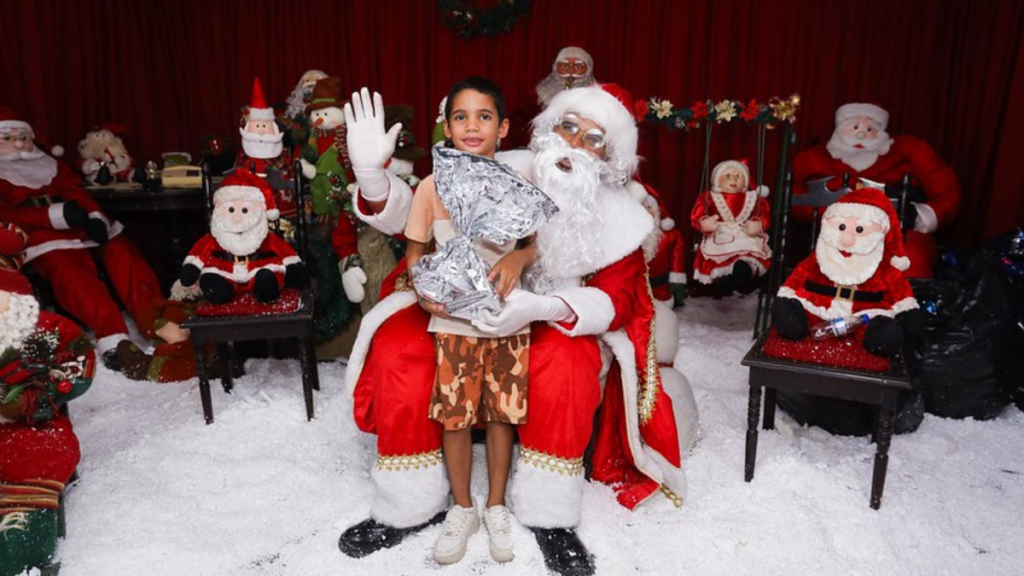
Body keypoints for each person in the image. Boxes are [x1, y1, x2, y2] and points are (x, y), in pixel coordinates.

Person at [338, 85, 690, 576]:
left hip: (552, 316)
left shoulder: (624, 219)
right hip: (456, 305)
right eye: (568, 126)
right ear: (548, 129)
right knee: (400, 347)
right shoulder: (508, 164)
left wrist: (541, 306)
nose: (574, 143)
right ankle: (407, 505)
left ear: (611, 157)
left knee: (565, 366)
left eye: (593, 138)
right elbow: (417, 213)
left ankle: (550, 516)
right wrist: (373, 178)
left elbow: (618, 300)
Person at [399, 76, 538, 565]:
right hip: (453, 323)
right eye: (461, 117)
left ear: (503, 127)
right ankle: (463, 508)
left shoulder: (518, 187)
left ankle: (495, 505)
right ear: (447, 126)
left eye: (484, 117)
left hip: (507, 320)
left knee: (502, 414)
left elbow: (534, 245)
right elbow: (414, 252)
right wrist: (424, 293)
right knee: (455, 416)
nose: (472, 126)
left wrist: (519, 258)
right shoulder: (430, 187)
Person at [0, 108, 167, 367]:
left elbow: (75, 191)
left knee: (122, 252)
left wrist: (94, 217)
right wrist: (54, 215)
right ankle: (114, 338)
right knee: (72, 271)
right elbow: (8, 215)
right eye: (7, 138)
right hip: (38, 234)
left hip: (77, 222)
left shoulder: (50, 163)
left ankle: (161, 325)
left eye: (24, 137)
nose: (19, 144)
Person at [792, 103, 962, 278]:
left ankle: (906, 295)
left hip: (897, 231)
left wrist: (923, 215)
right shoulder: (815, 159)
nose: (861, 134)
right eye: (855, 127)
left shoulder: (906, 152)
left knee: (910, 258)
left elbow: (946, 189)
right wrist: (829, 213)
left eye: (869, 129)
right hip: (836, 231)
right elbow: (793, 194)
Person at [0, 263, 94, 576]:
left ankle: (20, 551)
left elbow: (78, 365)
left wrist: (35, 397)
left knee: (37, 456)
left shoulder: (48, 329)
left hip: (32, 429)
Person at [772, 187, 924, 357]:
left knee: (884, 334)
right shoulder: (820, 256)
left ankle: (879, 337)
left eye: (860, 230)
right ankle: (795, 323)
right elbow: (798, 277)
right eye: (842, 227)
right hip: (818, 310)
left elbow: (899, 288)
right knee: (791, 316)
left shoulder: (882, 265)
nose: (847, 238)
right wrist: (786, 296)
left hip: (864, 316)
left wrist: (907, 312)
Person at [179, 169, 305, 304]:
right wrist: (191, 269)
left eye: (245, 210)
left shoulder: (265, 237)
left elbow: (284, 251)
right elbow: (199, 253)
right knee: (212, 279)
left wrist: (294, 268)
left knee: (266, 277)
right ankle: (219, 290)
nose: (237, 218)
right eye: (231, 209)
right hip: (225, 273)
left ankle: (265, 288)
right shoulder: (214, 238)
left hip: (258, 270)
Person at [691, 159, 771, 294]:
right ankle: (722, 282)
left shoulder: (754, 197)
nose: (733, 179)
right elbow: (698, 214)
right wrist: (704, 222)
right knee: (718, 256)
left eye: (738, 176)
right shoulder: (709, 196)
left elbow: (763, 214)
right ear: (717, 180)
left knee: (746, 260)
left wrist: (758, 223)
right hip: (720, 234)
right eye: (728, 175)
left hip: (744, 234)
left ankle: (739, 277)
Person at [235, 77, 291, 184]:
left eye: (264, 126)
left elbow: (288, 176)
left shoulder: (280, 156)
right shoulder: (244, 155)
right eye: (257, 126)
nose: (261, 132)